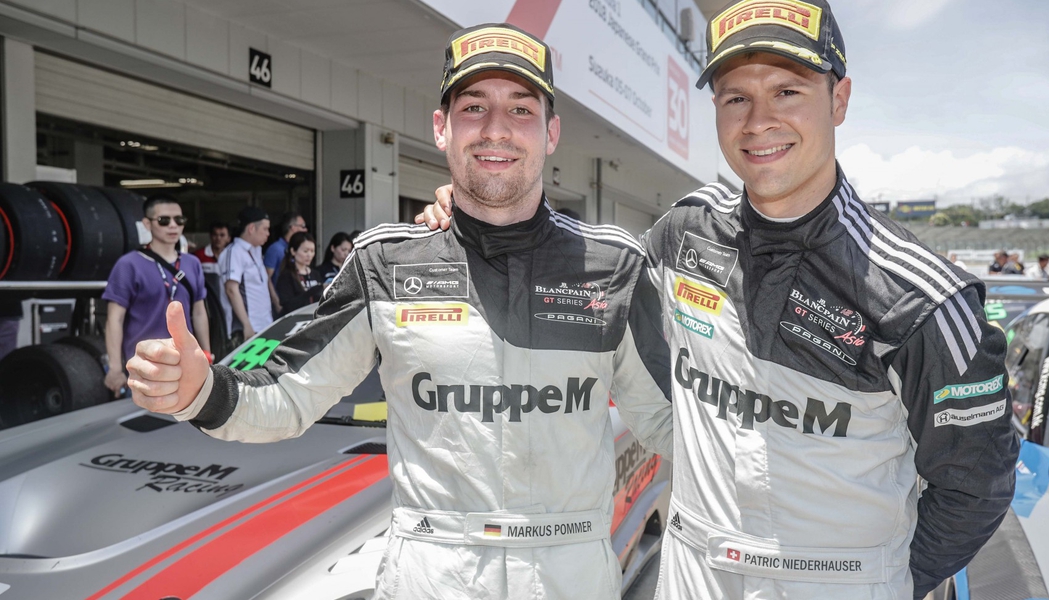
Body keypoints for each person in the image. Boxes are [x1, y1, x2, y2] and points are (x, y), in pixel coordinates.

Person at [420, 3, 1018, 598]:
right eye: (736, 97)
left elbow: (976, 488)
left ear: (839, 99)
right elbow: (580, 268)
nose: (758, 121)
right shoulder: (684, 233)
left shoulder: (922, 297)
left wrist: (880, 583)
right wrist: (477, 209)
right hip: (691, 577)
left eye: (787, 91)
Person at [127, 23, 673, 600]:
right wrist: (201, 390)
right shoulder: (384, 262)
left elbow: (674, 425)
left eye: (521, 108)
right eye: (473, 107)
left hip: (572, 579)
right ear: (441, 127)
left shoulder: (614, 266)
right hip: (432, 577)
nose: (496, 128)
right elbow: (288, 395)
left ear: (551, 132)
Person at [103, 195, 209, 397]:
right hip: (144, 369)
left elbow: (199, 312)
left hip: (186, 366)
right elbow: (114, 319)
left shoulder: (192, 263)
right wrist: (115, 369)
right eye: (164, 220)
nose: (173, 225)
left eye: (179, 220)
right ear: (147, 224)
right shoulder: (128, 265)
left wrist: (206, 354)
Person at [218, 207, 277, 342]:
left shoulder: (256, 251)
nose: (268, 233)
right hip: (247, 329)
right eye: (265, 229)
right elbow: (231, 289)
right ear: (251, 228)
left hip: (264, 324)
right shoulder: (234, 252)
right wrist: (246, 325)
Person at [275, 231, 322, 316]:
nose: (309, 255)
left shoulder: (315, 274)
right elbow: (288, 305)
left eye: (312, 251)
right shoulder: (286, 276)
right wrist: (311, 291)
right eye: (305, 251)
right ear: (293, 251)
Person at [264, 211, 307, 285]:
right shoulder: (275, 249)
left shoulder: (299, 248)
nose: (305, 230)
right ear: (293, 227)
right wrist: (274, 293)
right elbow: (266, 279)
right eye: (303, 226)